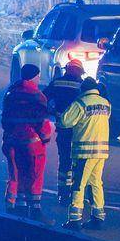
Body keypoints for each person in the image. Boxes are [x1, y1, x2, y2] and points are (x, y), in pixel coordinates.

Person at [0, 64, 56, 219]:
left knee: (16, 173)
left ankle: (17, 207)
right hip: (31, 143)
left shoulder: (10, 93)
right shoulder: (38, 96)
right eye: (38, 76)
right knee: (33, 175)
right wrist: (45, 138)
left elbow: (5, 119)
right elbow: (42, 123)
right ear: (34, 77)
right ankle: (36, 210)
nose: (39, 79)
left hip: (11, 140)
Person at [59, 76, 113, 228]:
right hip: (101, 151)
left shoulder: (81, 103)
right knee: (96, 183)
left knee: (78, 184)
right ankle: (98, 216)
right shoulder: (106, 104)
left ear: (83, 89)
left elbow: (65, 121)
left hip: (84, 152)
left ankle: (75, 219)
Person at [43, 59, 87, 200]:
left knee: (64, 161)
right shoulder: (82, 86)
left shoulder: (57, 83)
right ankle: (76, 192)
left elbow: (43, 98)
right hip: (79, 131)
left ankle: (63, 192)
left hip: (63, 129)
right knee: (78, 162)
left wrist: (53, 111)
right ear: (80, 72)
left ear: (66, 69)